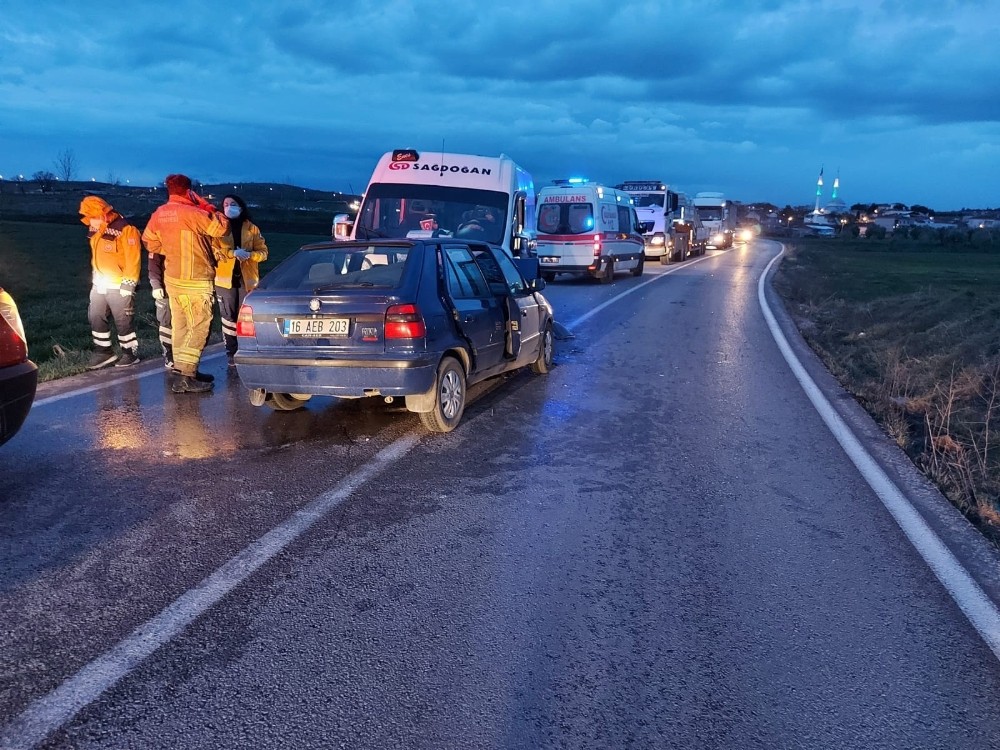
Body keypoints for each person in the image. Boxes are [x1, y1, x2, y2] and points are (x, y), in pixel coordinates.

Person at [141, 174, 231, 394]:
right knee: (199, 326)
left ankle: (181, 370)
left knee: (180, 327)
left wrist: (172, 250)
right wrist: (206, 204)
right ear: (189, 190)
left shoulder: (160, 213)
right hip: (195, 280)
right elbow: (221, 227)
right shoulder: (193, 213)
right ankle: (187, 375)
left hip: (173, 279)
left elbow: (149, 241)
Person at [78, 195, 142, 369]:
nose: (92, 221)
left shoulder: (126, 229)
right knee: (95, 316)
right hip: (100, 283)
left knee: (123, 321)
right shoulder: (95, 229)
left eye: (95, 217)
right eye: (90, 218)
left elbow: (133, 258)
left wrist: (129, 284)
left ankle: (130, 353)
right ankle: (103, 352)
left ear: (104, 213)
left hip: (120, 285)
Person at [214, 194, 268, 366]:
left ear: (241, 206)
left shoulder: (252, 229)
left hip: (247, 280)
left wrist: (250, 255)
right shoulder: (219, 229)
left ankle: (247, 349)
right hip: (224, 281)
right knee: (228, 318)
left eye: (232, 204)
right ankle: (231, 351)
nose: (229, 207)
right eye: (225, 204)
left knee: (244, 317)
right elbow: (215, 251)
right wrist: (232, 253)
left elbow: (264, 253)